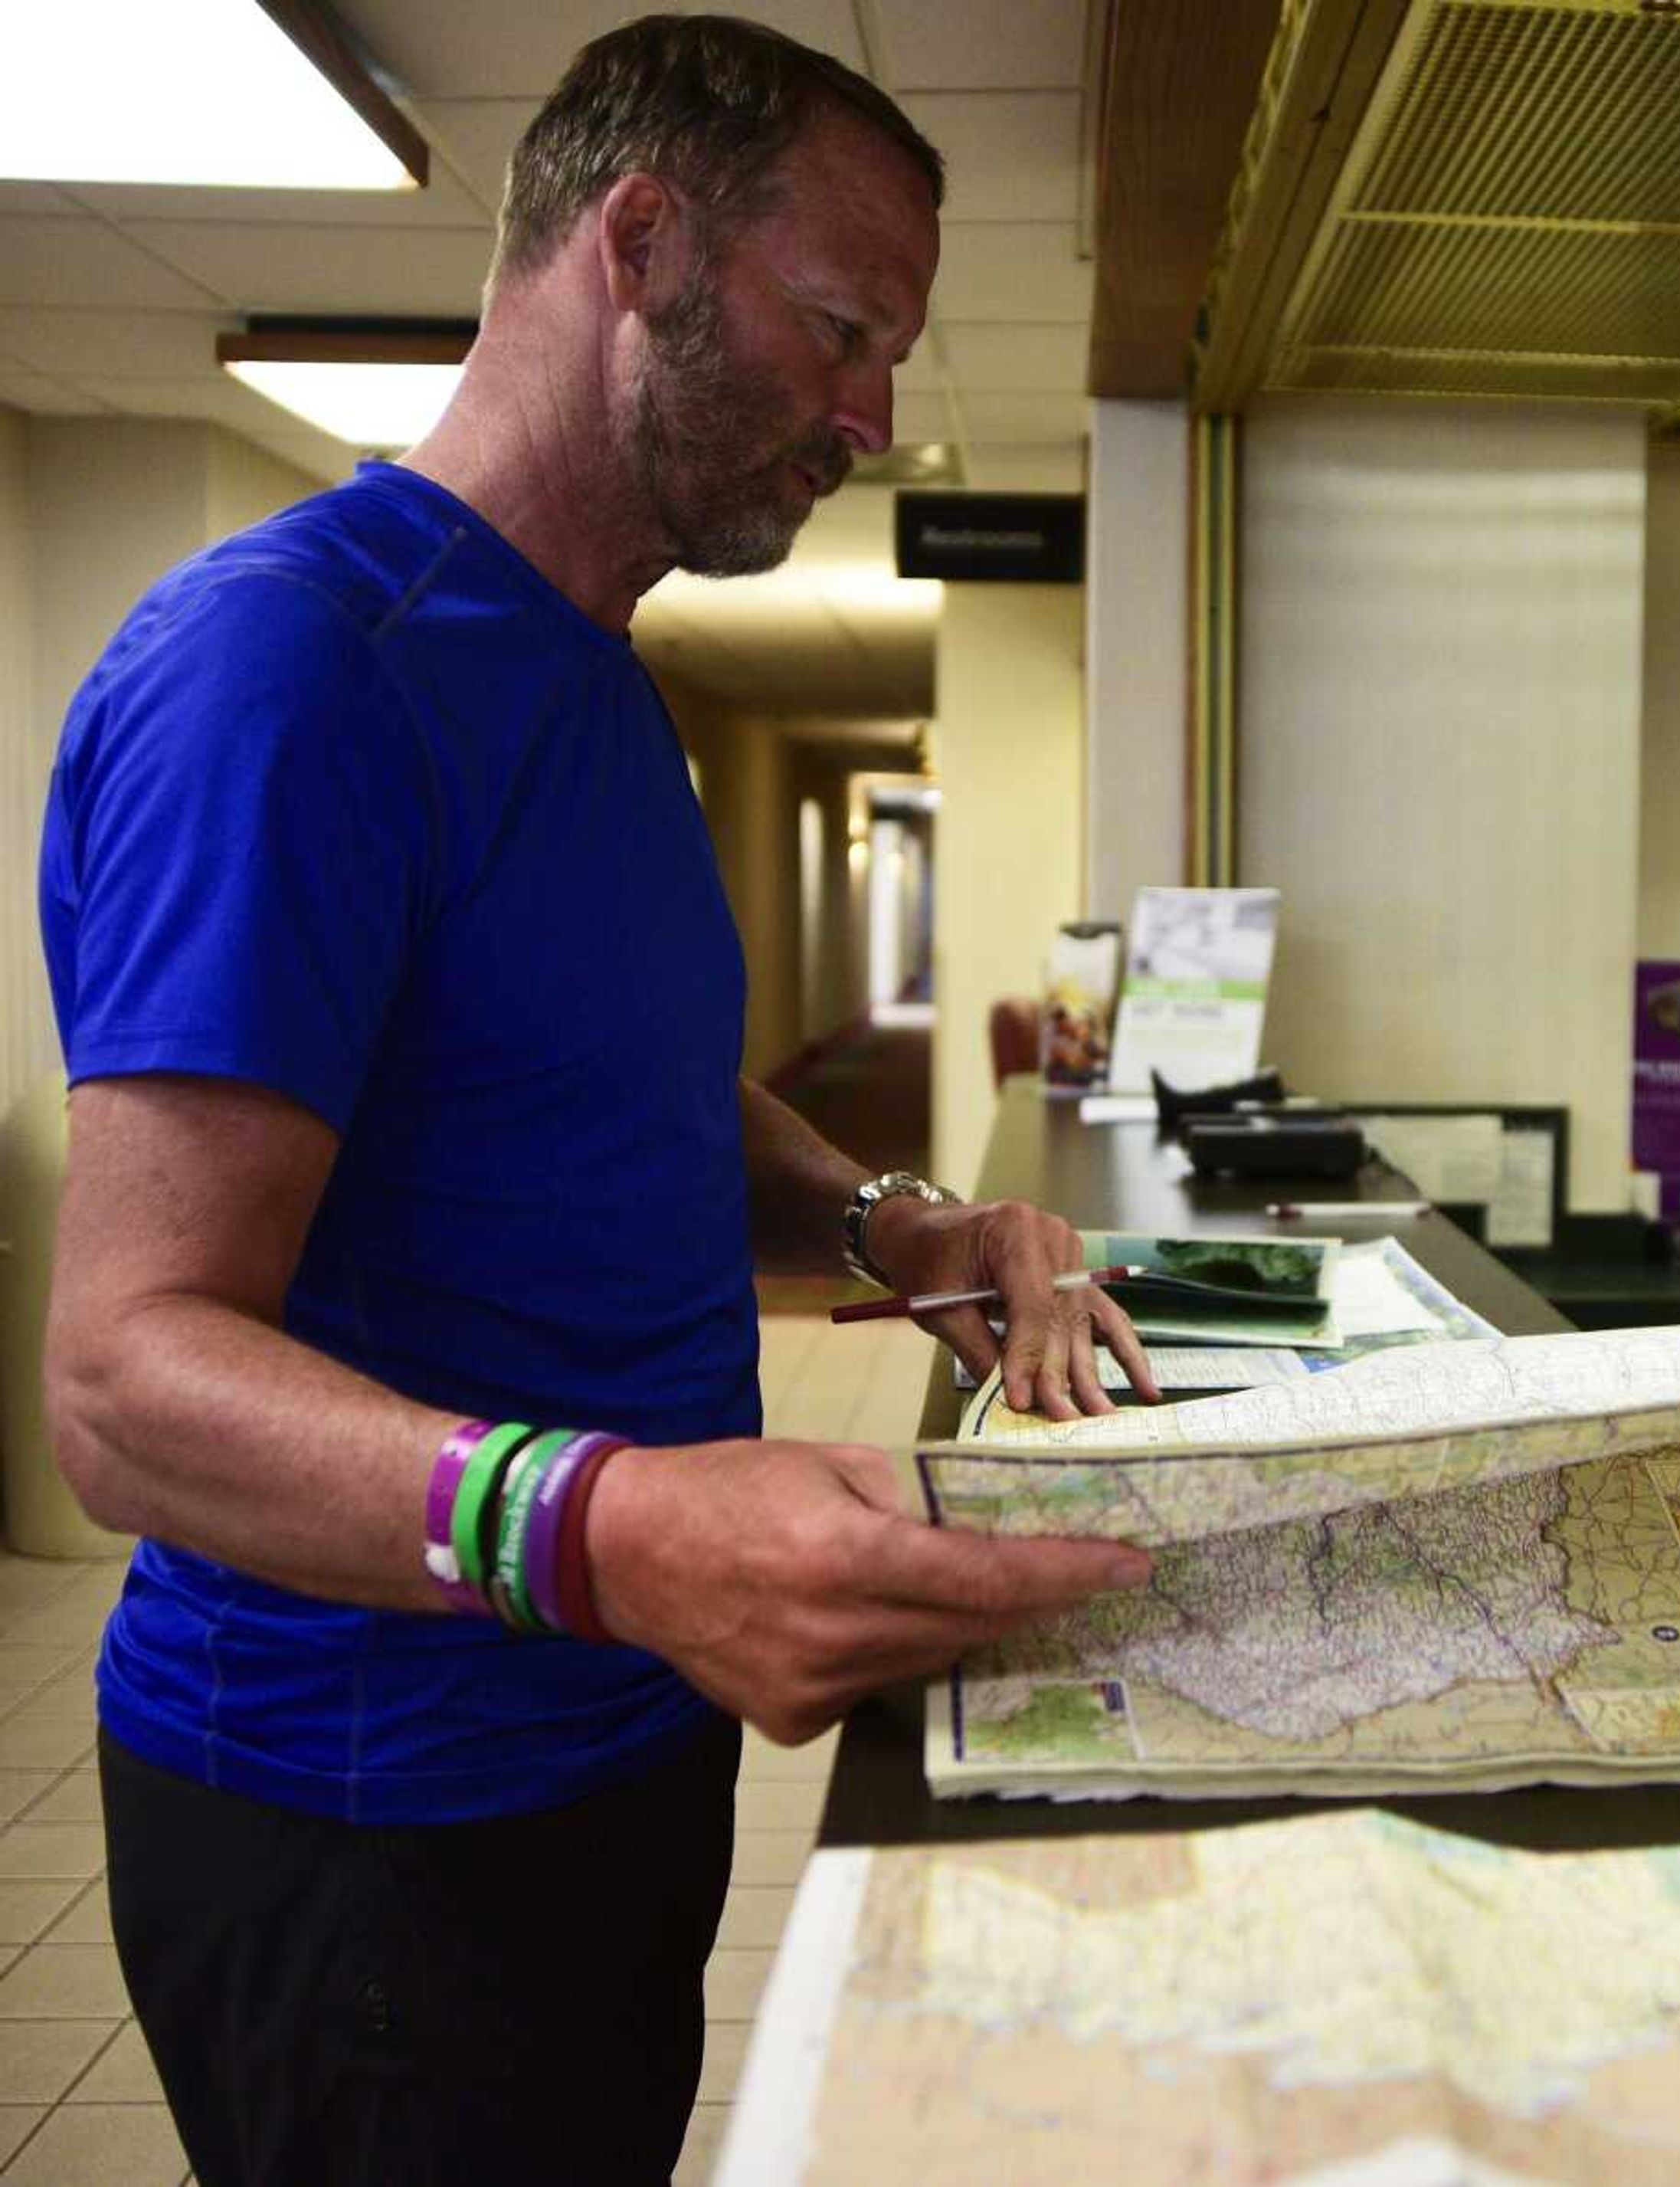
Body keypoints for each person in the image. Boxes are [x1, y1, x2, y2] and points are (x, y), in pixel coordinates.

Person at [37, 18, 1160, 2182]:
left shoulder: (586, 671)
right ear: (640, 242)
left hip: (599, 1746)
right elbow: (124, 1382)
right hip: (370, 1816)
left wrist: (892, 1219)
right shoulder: (297, 671)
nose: (875, 415)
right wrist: (622, 1524)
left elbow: (606, 1072)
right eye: (844, 330)